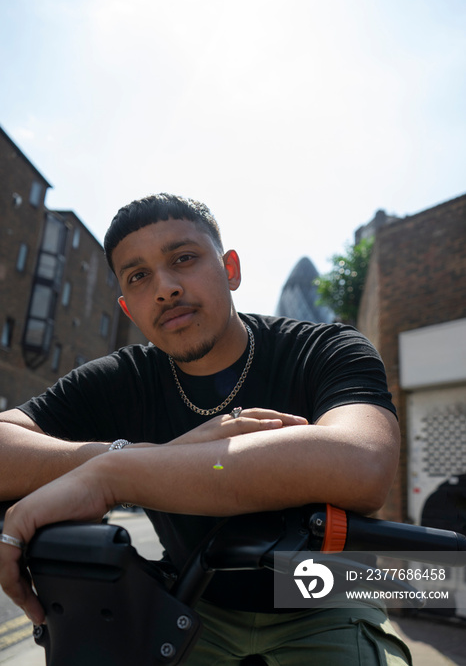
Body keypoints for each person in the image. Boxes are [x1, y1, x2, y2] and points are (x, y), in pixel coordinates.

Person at [0, 193, 411, 665]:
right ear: (128, 309)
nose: (165, 287)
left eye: (184, 258)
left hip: (327, 596)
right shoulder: (121, 378)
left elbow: (361, 465)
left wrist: (115, 475)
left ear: (230, 269)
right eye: (138, 277)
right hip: (195, 602)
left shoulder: (325, 349)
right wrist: (133, 454)